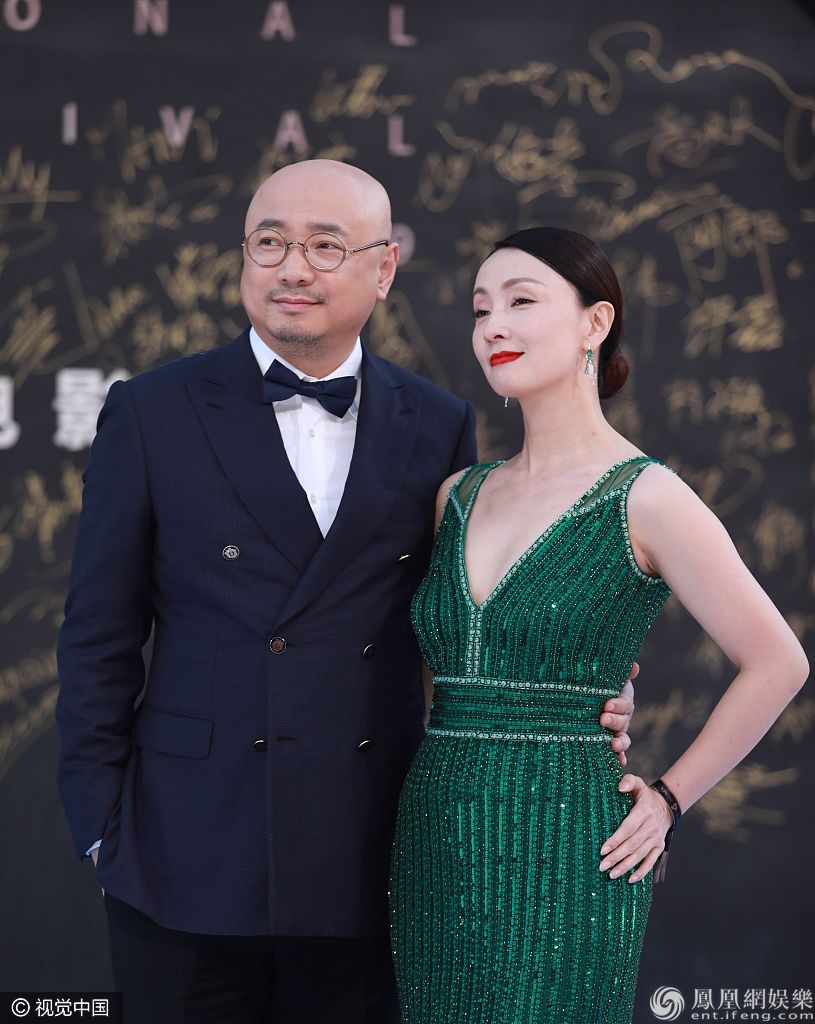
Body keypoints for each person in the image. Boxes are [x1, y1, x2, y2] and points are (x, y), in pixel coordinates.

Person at [54, 164, 637, 1023]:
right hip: (184, 847)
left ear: (383, 268)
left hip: (369, 848)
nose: (292, 268)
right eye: (269, 243)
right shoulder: (152, 410)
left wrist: (585, 688)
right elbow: (97, 637)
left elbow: (466, 615)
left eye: (325, 247)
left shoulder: (436, 420)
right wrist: (100, 828)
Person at [389, 226, 809, 1024]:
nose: (493, 326)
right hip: (433, 837)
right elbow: (436, 678)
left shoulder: (645, 495)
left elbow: (777, 662)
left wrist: (667, 799)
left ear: (595, 322)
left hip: (569, 843)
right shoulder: (458, 494)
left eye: (520, 301)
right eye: (480, 310)